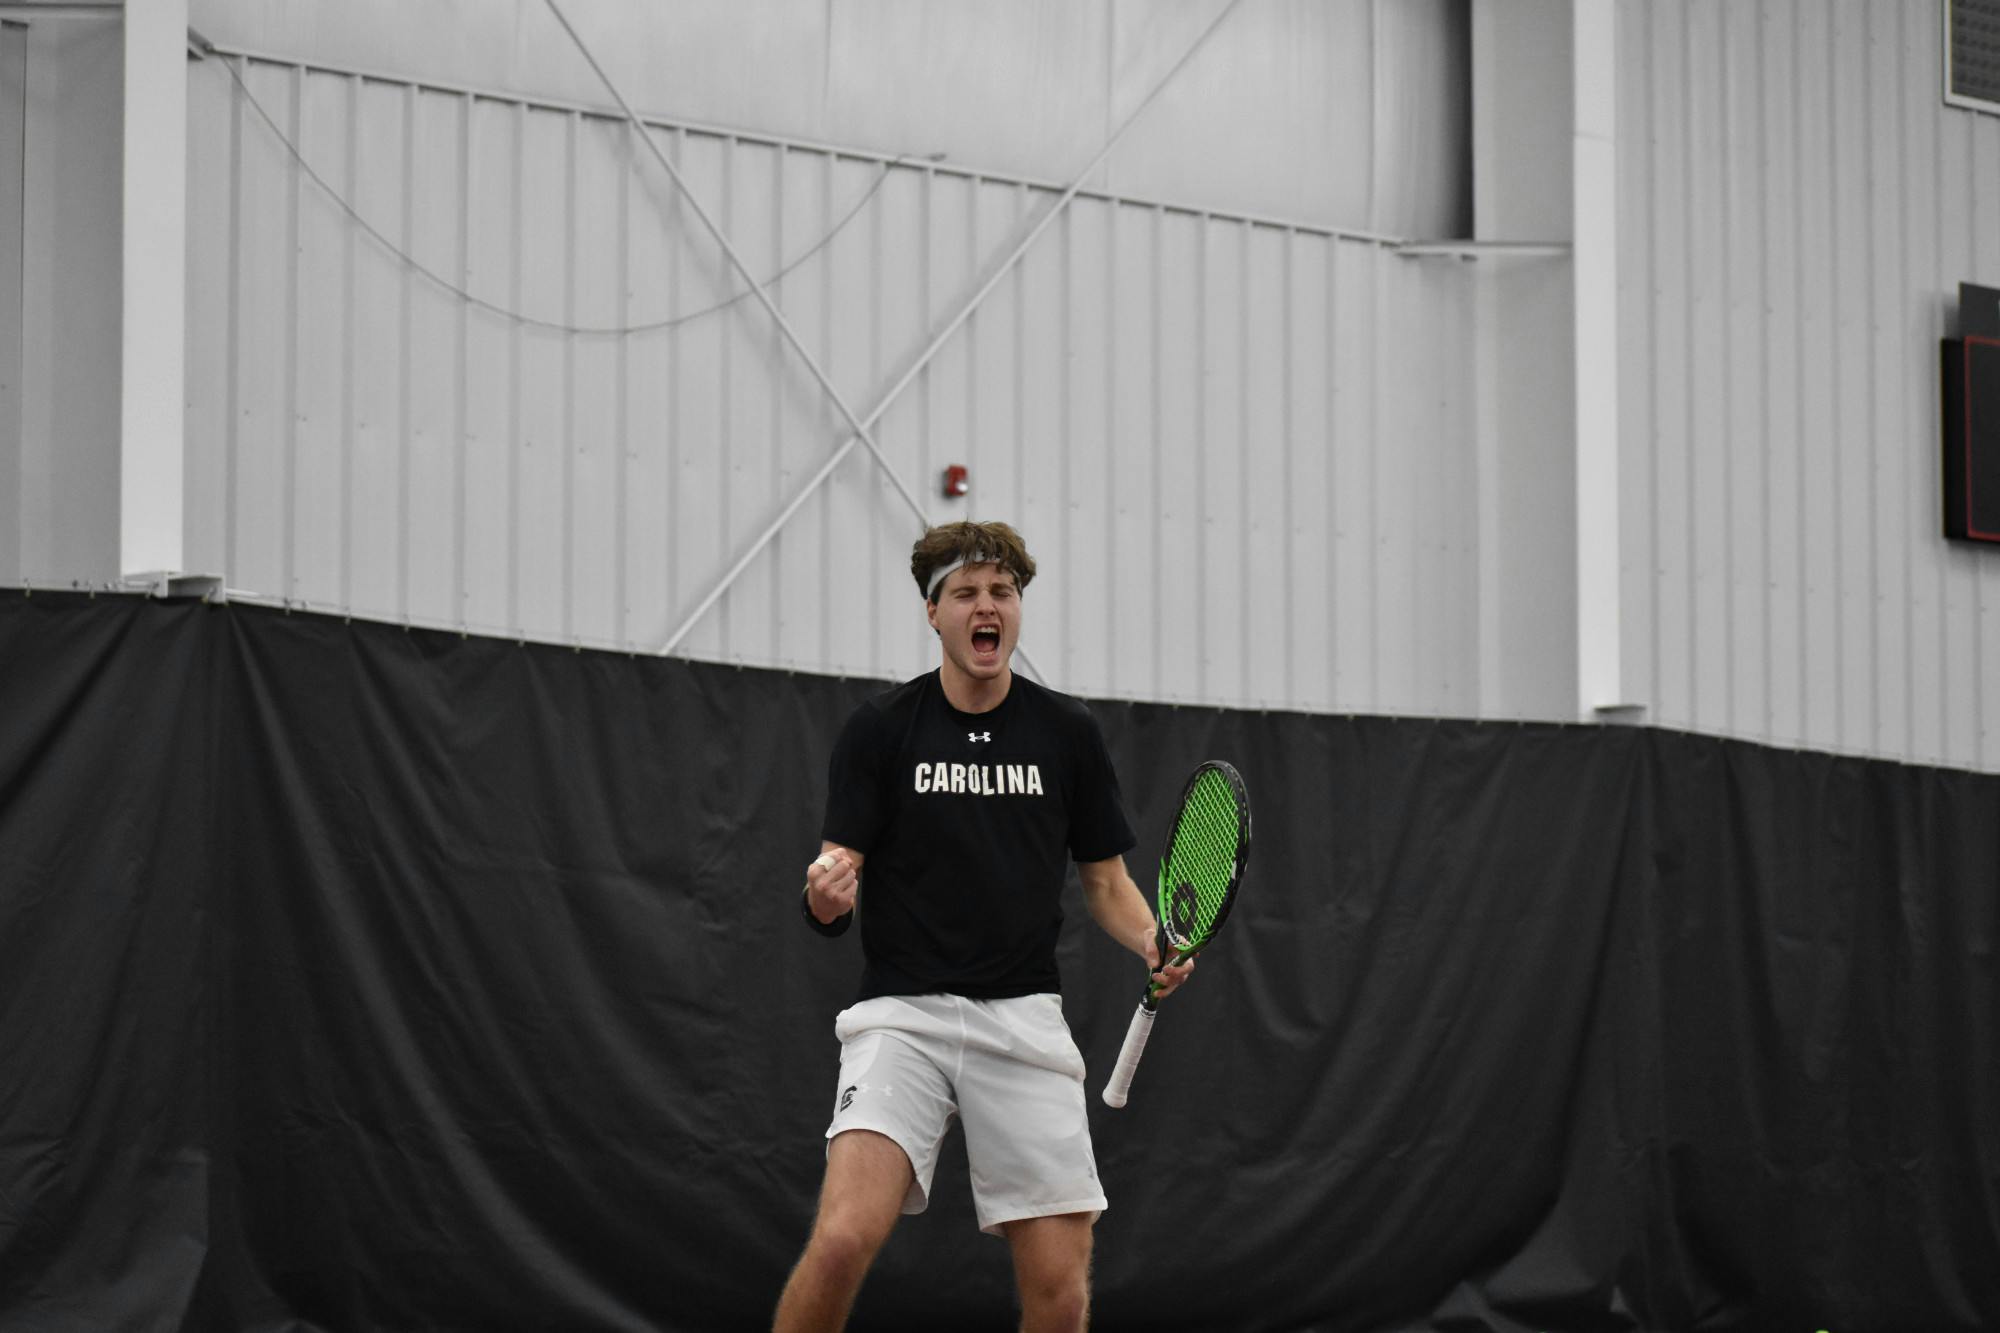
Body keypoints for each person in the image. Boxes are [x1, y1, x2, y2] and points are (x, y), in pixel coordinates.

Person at [771, 520, 1195, 1333]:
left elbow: (1106, 882)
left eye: (1001, 591)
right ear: (934, 612)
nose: (985, 605)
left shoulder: (1067, 734)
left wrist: (1151, 939)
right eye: (965, 592)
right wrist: (825, 895)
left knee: (1061, 1294)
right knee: (839, 1240)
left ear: (1017, 610)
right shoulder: (881, 729)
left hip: (1023, 1019)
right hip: (903, 1016)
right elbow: (834, 881)